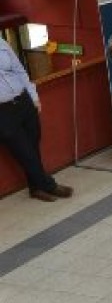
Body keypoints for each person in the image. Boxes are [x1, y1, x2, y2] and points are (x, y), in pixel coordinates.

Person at [0, 38, 73, 202]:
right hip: (3, 113)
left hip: (24, 102)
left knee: (33, 147)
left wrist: (34, 97)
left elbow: (19, 70)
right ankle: (49, 185)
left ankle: (35, 189)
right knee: (25, 153)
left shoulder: (1, 43)